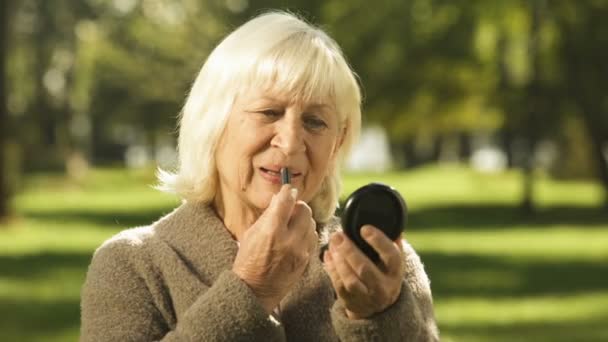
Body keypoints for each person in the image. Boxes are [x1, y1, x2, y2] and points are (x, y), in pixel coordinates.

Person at [80, 11, 439, 341]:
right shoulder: (131, 265)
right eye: (269, 112)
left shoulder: (380, 266)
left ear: (337, 142)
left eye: (315, 121)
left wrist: (380, 317)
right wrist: (250, 290)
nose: (290, 141)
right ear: (214, 122)